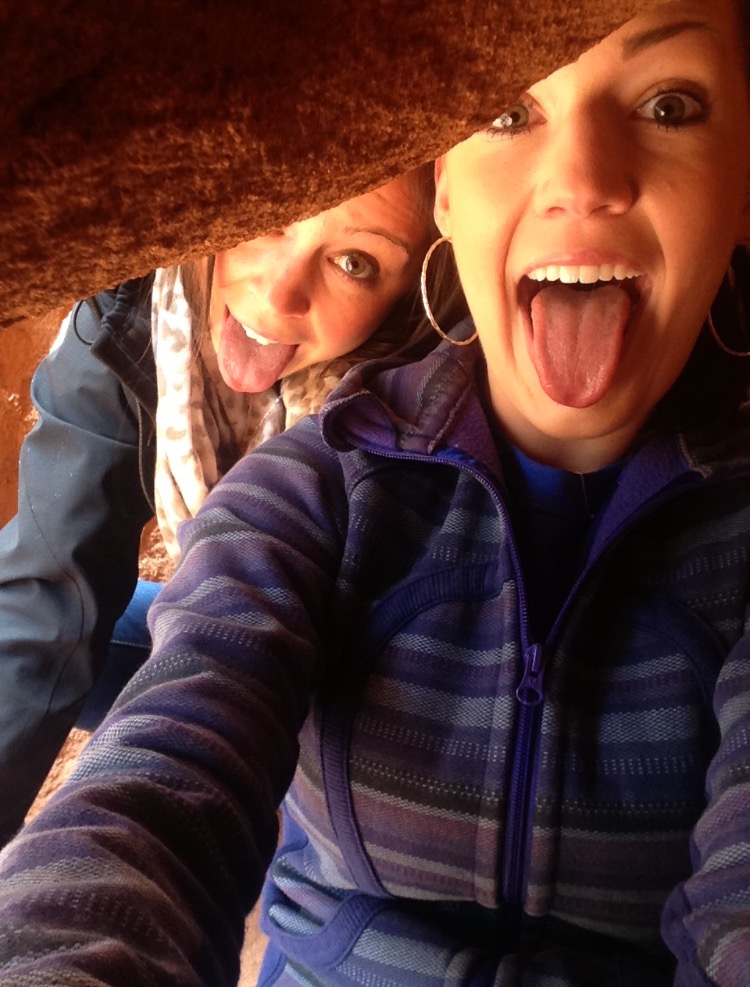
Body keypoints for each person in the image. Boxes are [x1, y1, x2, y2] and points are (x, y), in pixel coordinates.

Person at [1, 1, 750, 983]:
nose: (583, 179)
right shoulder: (305, 471)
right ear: (449, 195)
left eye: (669, 103)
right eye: (507, 112)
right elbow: (155, 752)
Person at [0, 166, 436, 847]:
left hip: (361, 682)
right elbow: (48, 594)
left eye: (355, 262)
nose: (279, 294)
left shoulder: (428, 395)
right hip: (238, 631)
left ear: (409, 293)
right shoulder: (131, 314)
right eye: (270, 210)